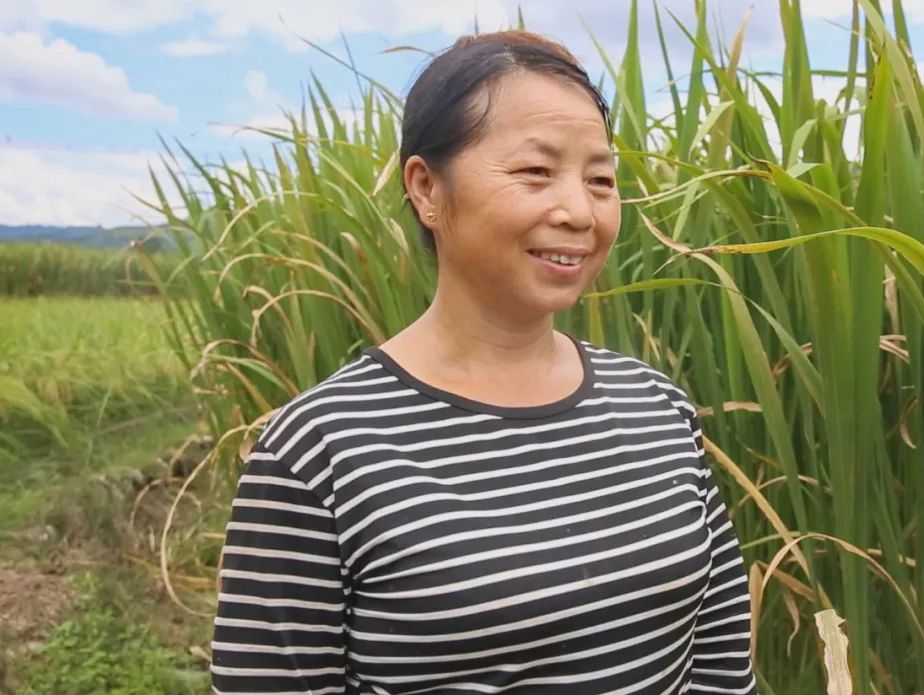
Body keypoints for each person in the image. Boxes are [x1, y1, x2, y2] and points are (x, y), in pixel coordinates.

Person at [210, 30, 757, 695]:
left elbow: (722, 647)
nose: (579, 211)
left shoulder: (658, 405)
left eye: (601, 179)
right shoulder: (318, 449)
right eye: (535, 171)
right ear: (426, 188)